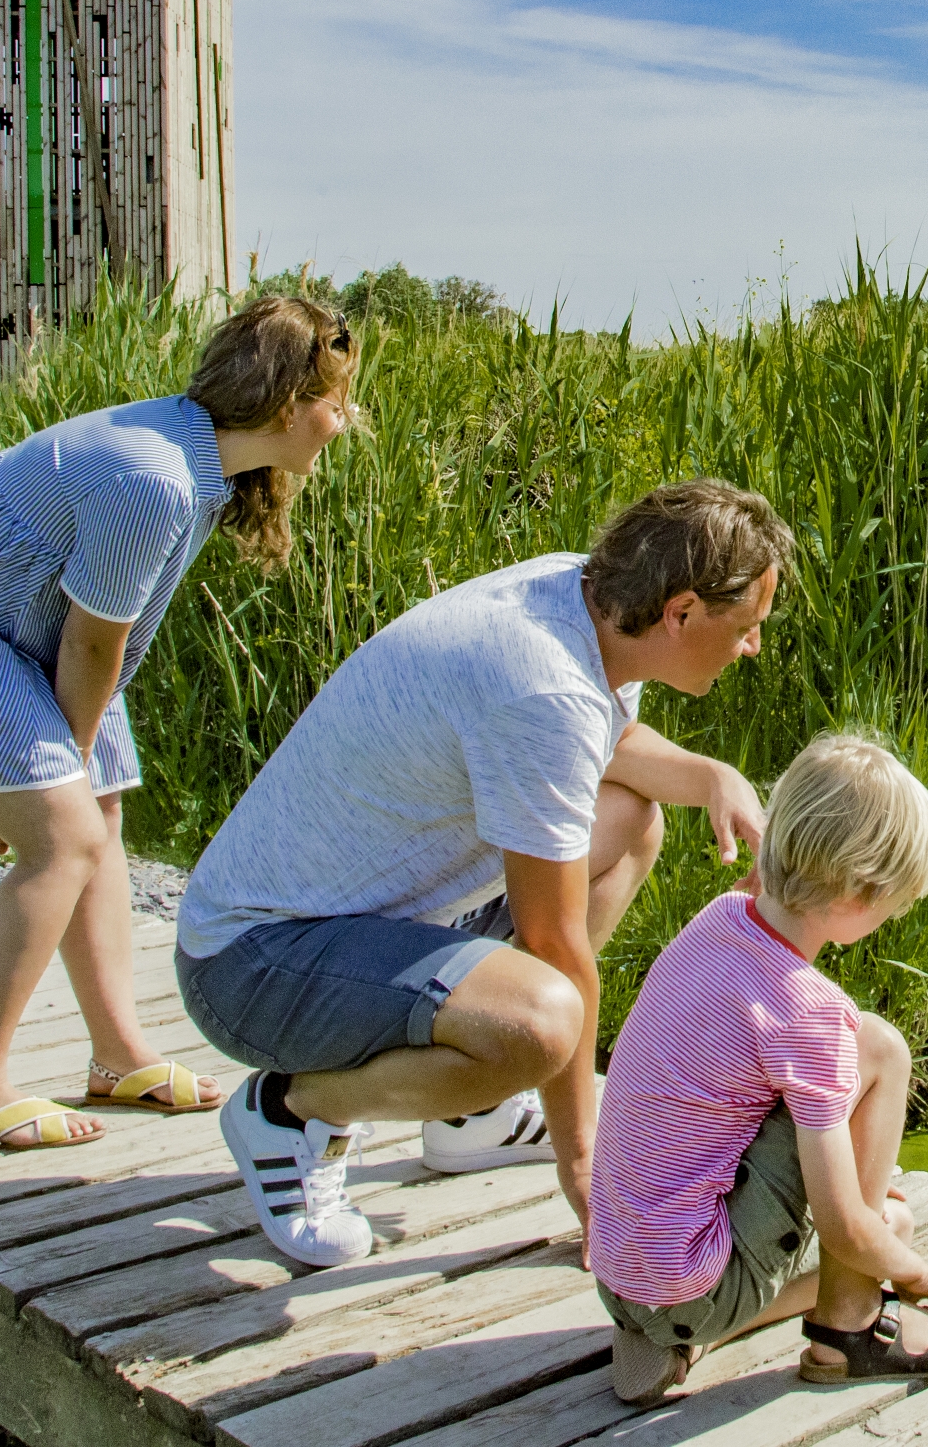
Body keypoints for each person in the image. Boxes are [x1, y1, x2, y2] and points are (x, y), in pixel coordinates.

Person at [181, 480, 788, 1265]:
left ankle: (472, 1116)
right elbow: (554, 944)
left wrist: (711, 776)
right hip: (252, 965)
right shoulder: (544, 688)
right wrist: (585, 1169)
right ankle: (292, 1109)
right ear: (680, 613)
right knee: (539, 1024)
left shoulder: (585, 599)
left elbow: (598, 747)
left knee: (631, 822)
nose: (753, 648)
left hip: (356, 926)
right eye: (747, 627)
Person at [0, 297, 358, 1152]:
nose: (345, 422)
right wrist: (52, 777)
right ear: (291, 406)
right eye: (338, 402)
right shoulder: (152, 479)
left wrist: (68, 777)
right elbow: (93, 640)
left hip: (2, 619)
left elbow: (94, 642)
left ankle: (118, 1056)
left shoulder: (198, 463)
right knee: (64, 838)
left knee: (98, 813)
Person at [590, 732, 928, 1404]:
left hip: (621, 1273)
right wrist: (922, 1276)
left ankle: (682, 1334)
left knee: (884, 1227)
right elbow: (842, 1226)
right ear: (860, 894)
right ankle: (848, 1330)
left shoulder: (720, 919)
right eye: (898, 903)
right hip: (690, 1284)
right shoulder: (811, 1014)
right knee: (881, 1051)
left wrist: (875, 1238)